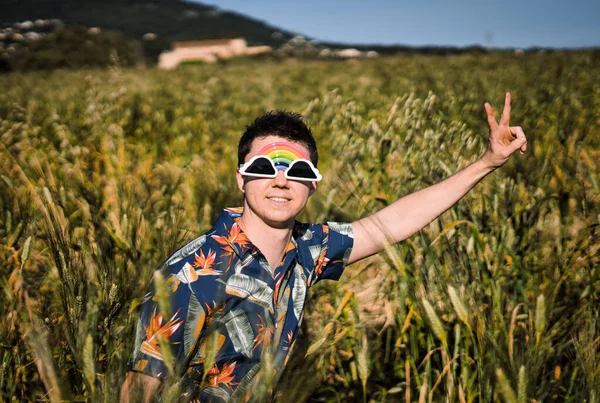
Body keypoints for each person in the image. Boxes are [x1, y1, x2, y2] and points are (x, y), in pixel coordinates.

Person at [121, 93, 527, 402]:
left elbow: (392, 223)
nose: (280, 181)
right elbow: (139, 389)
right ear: (240, 179)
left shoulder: (308, 248)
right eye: (262, 168)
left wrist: (487, 162)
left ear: (312, 184)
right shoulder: (195, 274)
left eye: (297, 171)